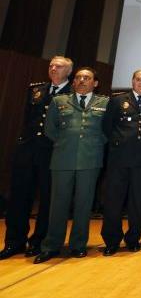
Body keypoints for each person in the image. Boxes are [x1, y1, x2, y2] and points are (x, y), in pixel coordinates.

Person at [0, 56, 73, 260]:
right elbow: (27, 119)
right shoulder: (36, 89)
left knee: (48, 199)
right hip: (27, 150)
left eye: (58, 66)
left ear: (68, 71)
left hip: (52, 153)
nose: (53, 68)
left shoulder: (73, 94)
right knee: (19, 197)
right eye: (51, 65)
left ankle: (40, 241)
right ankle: (14, 241)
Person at [34, 68, 109, 263]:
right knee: (58, 205)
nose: (82, 81)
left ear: (95, 83)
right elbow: (50, 129)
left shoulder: (105, 103)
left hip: (90, 160)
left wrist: (94, 143)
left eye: (87, 78)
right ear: (73, 82)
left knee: (83, 205)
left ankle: (78, 245)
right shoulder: (59, 101)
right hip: (62, 159)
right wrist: (66, 143)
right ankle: (51, 246)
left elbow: (108, 130)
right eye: (78, 78)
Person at [101, 69, 141, 255]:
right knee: (114, 201)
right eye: (138, 79)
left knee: (138, 201)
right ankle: (112, 241)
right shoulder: (118, 100)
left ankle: (133, 238)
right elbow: (107, 127)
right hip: (119, 159)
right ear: (132, 81)